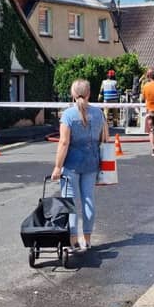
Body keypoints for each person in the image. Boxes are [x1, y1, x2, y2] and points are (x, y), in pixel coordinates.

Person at [52, 79, 108, 250]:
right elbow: (105, 139)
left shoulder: (68, 115)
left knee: (70, 202)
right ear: (89, 94)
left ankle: (73, 240)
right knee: (88, 200)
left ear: (73, 94)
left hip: (71, 164)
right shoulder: (99, 113)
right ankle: (88, 239)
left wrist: (57, 167)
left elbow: (64, 142)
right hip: (92, 163)